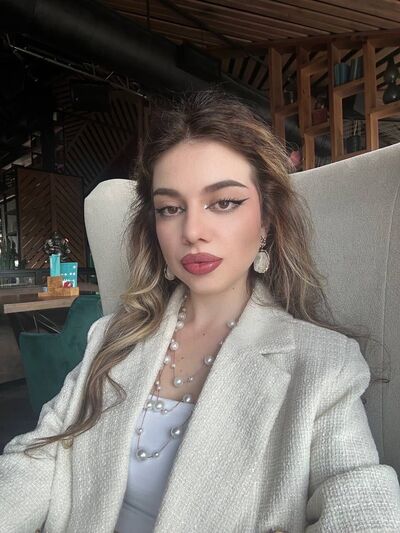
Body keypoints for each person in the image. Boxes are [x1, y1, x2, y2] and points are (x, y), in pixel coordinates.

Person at [1, 89, 400, 533]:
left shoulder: (324, 364)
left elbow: (359, 497)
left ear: (267, 220)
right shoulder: (111, 337)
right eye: (170, 209)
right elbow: (40, 454)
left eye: (224, 202)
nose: (192, 231)